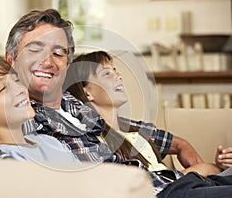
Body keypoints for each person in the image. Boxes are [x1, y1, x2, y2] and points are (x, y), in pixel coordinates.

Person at [0, 8, 203, 168]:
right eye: (35, 49)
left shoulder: (74, 104)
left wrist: (180, 145)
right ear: (11, 61)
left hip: (167, 182)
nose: (48, 61)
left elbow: (123, 128)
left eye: (59, 53)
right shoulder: (23, 115)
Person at [63, 50, 232, 197]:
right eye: (107, 74)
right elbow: (133, 187)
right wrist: (199, 171)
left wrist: (216, 167)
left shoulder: (130, 128)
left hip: (193, 184)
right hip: (171, 191)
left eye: (115, 70)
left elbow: (178, 143)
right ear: (87, 93)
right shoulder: (91, 139)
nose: (119, 76)